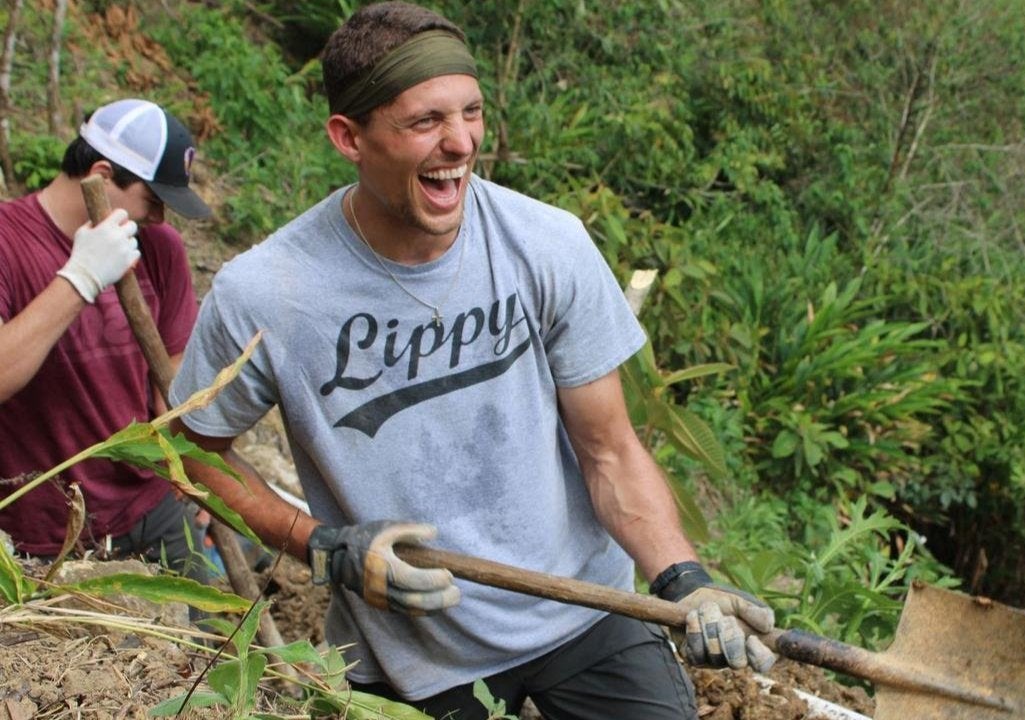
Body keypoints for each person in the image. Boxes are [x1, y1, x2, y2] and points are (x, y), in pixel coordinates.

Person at [168, 3, 774, 718]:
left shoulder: (547, 244)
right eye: (424, 121)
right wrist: (322, 547)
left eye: (472, 112)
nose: (460, 143)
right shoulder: (269, 294)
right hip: (413, 656)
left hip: (584, 609)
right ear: (349, 137)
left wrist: (681, 579)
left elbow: (609, 450)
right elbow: (189, 451)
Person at [0, 98, 213, 581]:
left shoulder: (159, 247)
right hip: (44, 533)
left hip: (153, 506)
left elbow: (171, 378)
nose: (160, 217)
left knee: (214, 639)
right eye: (152, 199)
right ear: (100, 174)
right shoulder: (7, 241)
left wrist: (195, 471)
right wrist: (81, 278)